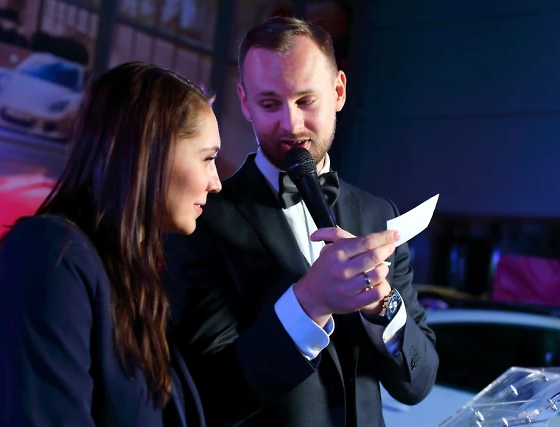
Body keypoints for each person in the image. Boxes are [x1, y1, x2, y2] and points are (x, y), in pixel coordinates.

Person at [164, 16, 439, 427]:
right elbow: (212, 395)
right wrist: (309, 303)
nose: (290, 125)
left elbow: (418, 384)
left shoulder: (379, 213)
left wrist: (384, 305)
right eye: (269, 104)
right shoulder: (200, 219)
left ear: (339, 91)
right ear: (245, 103)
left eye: (306, 101)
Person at [0, 62, 221, 426]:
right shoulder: (50, 254)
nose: (216, 182)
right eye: (208, 158)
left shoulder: (128, 277)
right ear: (151, 150)